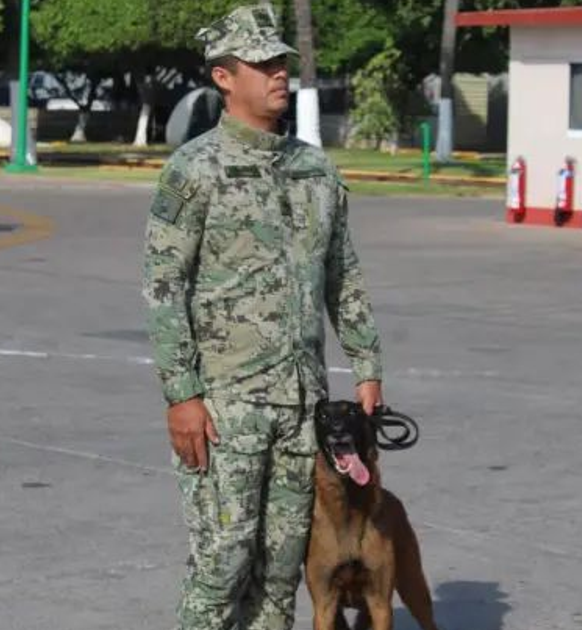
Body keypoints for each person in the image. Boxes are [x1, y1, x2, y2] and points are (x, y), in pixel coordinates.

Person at [140, 5, 384, 630]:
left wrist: (366, 363)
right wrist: (182, 395)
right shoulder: (194, 170)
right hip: (226, 407)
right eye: (264, 64)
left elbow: (342, 273)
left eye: (282, 63)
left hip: (302, 407)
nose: (280, 73)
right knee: (223, 565)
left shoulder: (314, 170)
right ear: (224, 77)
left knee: (279, 574)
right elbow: (164, 286)